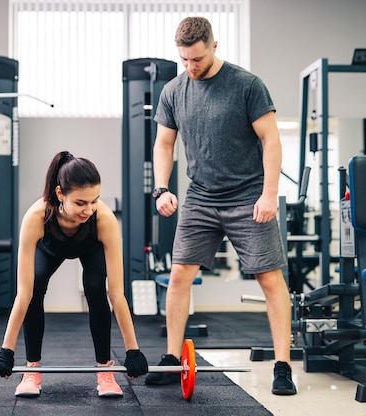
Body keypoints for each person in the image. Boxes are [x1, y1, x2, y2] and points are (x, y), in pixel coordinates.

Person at [146, 16, 297, 396]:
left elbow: (271, 140)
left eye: (196, 59)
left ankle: (283, 365)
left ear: (214, 47)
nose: (190, 67)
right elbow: (165, 144)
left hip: (248, 195)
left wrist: (269, 193)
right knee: (180, 274)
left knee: (269, 278)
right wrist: (161, 189)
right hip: (200, 195)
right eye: (184, 60)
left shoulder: (247, 85)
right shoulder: (174, 91)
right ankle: (170, 358)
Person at [0, 151, 149, 397]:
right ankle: (31, 369)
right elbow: (23, 292)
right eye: (80, 203)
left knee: (96, 289)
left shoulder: (104, 219)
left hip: (90, 247)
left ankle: (105, 370)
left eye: (94, 200)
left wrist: (133, 350)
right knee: (35, 287)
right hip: (50, 248)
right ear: (60, 194)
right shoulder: (36, 216)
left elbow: (117, 294)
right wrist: (6, 350)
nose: (89, 209)